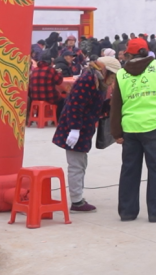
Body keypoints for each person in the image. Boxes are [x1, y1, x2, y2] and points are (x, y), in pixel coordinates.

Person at [110, 37, 156, 222]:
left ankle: (127, 212)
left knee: (129, 170)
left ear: (129, 54)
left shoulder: (121, 74)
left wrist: (116, 132)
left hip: (130, 127)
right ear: (146, 51)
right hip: (154, 125)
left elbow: (116, 105)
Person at [53, 59, 112, 213]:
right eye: (113, 76)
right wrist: (74, 129)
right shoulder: (88, 80)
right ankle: (77, 202)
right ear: (106, 71)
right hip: (75, 128)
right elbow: (75, 105)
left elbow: (93, 106)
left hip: (84, 128)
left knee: (80, 163)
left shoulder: (97, 81)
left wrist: (108, 105)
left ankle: (78, 197)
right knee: (76, 165)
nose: (113, 80)